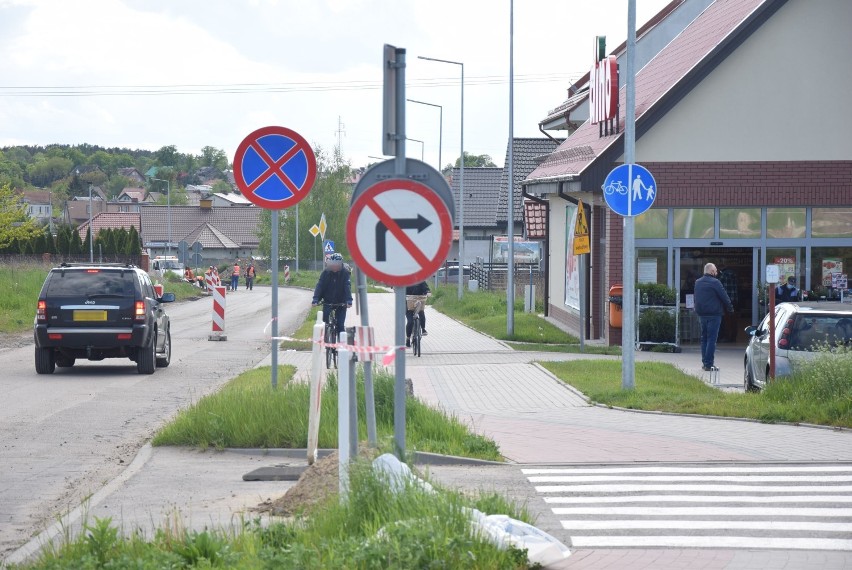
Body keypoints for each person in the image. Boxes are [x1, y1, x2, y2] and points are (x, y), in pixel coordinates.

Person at [693, 262, 734, 372]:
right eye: (716, 271)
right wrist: (730, 308)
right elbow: (724, 297)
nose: (717, 273)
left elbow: (696, 298)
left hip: (702, 314)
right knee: (711, 339)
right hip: (714, 314)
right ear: (712, 271)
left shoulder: (697, 282)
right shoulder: (716, 282)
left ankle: (704, 362)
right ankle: (709, 364)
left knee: (704, 339)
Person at [311, 253, 352, 336]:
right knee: (324, 322)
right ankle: (326, 338)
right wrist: (315, 299)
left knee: (340, 326)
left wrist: (349, 300)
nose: (334, 266)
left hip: (341, 302)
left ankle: (341, 346)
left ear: (340, 264)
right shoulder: (325, 272)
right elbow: (320, 285)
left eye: (336, 264)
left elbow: (347, 286)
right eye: (332, 264)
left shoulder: (345, 273)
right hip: (328, 301)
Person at [405, 280, 430, 347]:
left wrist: (427, 292)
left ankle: (423, 329)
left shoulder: (420, 280)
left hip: (419, 301)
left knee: (421, 312)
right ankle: (408, 338)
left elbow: (425, 288)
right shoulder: (405, 280)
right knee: (410, 322)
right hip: (409, 304)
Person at [718, 267, 739, 342]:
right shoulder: (734, 275)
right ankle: (733, 336)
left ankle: (726, 337)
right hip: (734, 300)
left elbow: (719, 287)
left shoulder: (723, 276)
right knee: (733, 319)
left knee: (726, 319)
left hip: (725, 300)